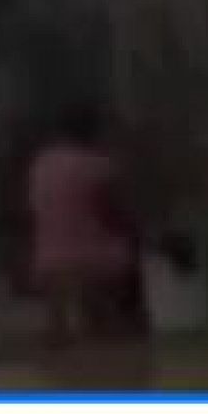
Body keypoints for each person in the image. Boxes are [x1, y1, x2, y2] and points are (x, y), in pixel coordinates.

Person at [27, 105, 142, 345]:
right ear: (95, 131)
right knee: (132, 253)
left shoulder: (42, 163)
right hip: (96, 262)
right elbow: (114, 216)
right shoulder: (99, 167)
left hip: (47, 264)